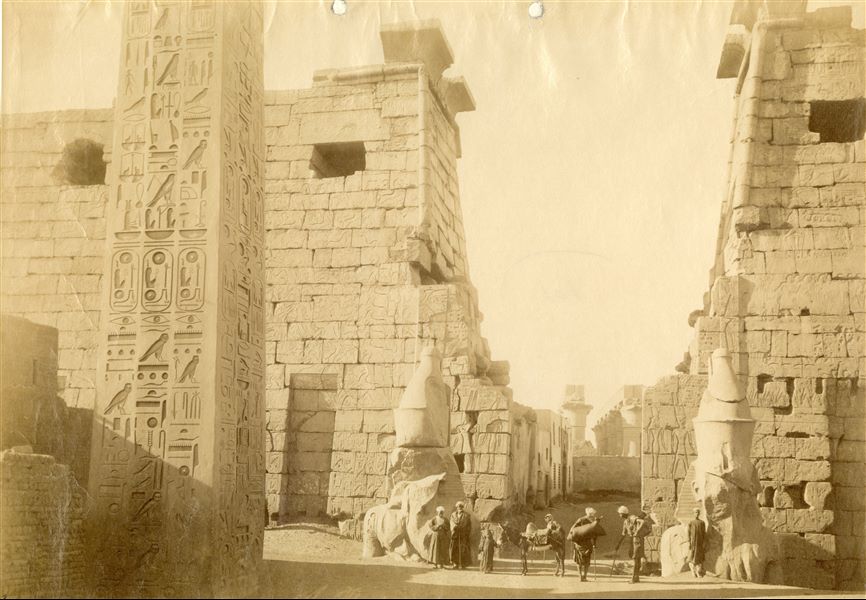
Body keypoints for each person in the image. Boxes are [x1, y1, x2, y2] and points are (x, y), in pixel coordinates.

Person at [616, 505, 649, 583]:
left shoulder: (632, 518)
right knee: (635, 558)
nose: (619, 515)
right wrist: (618, 544)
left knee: (636, 559)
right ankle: (636, 577)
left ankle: (634, 578)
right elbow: (623, 534)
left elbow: (642, 522)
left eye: (620, 513)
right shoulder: (625, 522)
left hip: (637, 540)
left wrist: (637, 531)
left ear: (623, 513)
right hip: (632, 540)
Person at [570, 507, 600, 582]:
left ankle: (583, 576)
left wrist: (594, 544)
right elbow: (573, 530)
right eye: (592, 514)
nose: (592, 516)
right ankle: (582, 576)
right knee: (582, 560)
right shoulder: (583, 520)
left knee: (583, 560)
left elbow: (594, 534)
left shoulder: (589, 521)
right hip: (581, 543)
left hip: (585, 543)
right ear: (589, 514)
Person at [449, 501, 472, 569]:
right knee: (454, 549)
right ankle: (455, 563)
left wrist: (466, 532)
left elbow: (469, 525)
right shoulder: (453, 515)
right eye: (458, 506)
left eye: (461, 506)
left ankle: (463, 564)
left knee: (463, 549)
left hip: (463, 534)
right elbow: (451, 522)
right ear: (456, 507)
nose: (460, 508)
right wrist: (454, 527)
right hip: (455, 534)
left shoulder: (466, 515)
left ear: (463, 507)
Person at [687, 508, 706, 578]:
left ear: (699, 513)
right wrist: (689, 541)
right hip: (693, 543)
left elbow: (704, 533)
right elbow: (688, 533)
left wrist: (704, 542)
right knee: (692, 556)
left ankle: (698, 572)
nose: (696, 513)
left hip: (700, 543)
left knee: (699, 558)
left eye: (698, 512)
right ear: (693, 513)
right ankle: (693, 571)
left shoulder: (702, 523)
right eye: (695, 512)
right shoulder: (691, 522)